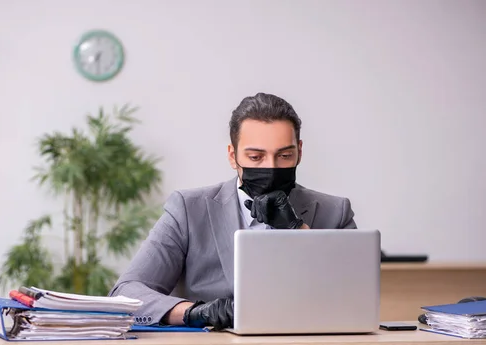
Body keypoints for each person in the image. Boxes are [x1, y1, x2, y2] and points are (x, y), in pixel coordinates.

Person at [109, 92, 357, 330]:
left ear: (299, 152)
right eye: (256, 157)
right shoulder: (189, 209)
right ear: (232, 156)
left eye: (284, 155)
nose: (271, 167)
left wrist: (298, 231)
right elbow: (126, 293)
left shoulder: (335, 212)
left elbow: (353, 299)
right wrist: (198, 312)